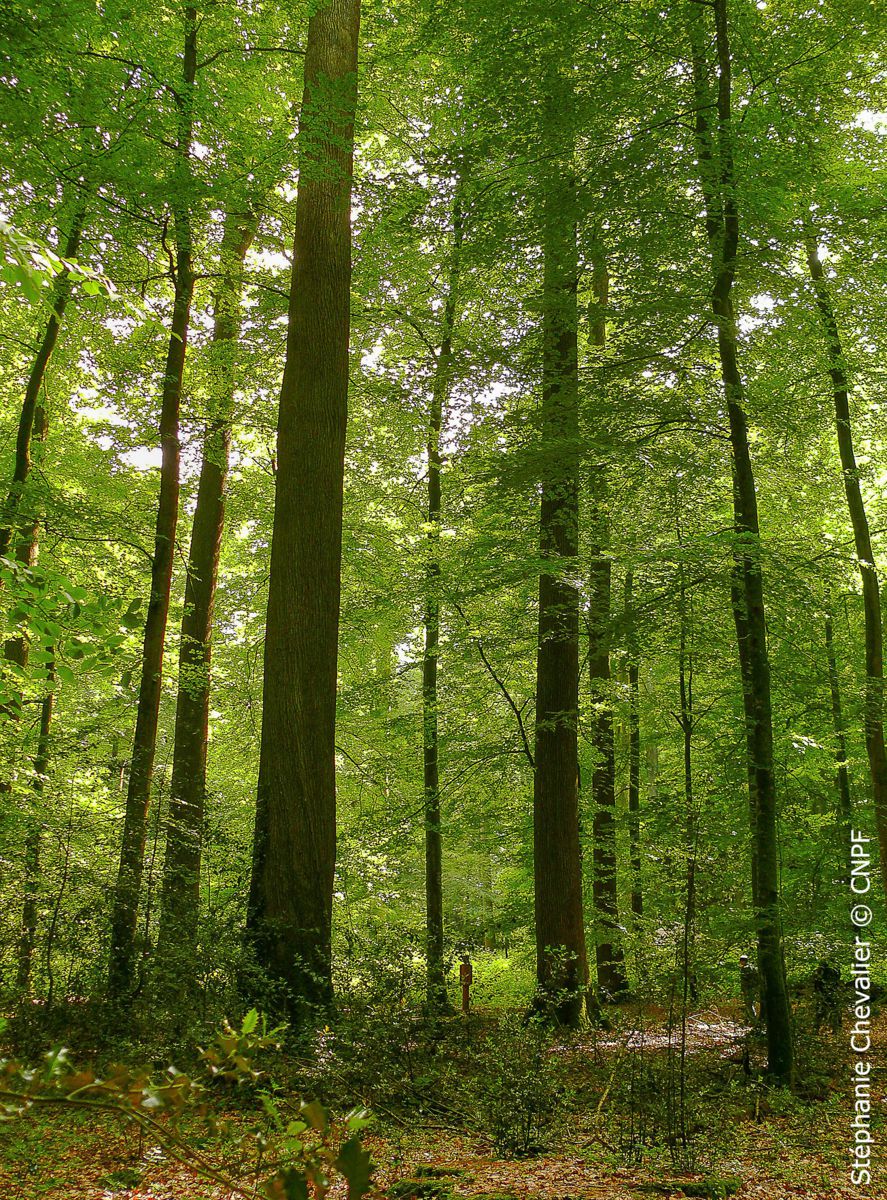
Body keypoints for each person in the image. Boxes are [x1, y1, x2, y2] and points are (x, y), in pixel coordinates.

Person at [812, 959, 842, 1032]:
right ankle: (836, 1029)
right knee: (833, 1011)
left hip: (826, 995)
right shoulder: (833, 972)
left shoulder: (823, 973)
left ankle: (816, 1029)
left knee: (822, 1012)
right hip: (831, 994)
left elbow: (816, 984)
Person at [739, 953, 759, 1025]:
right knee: (749, 1004)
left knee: (749, 1005)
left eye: (741, 960)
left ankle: (755, 1022)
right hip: (753, 989)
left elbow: (746, 980)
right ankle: (746, 1021)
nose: (740, 962)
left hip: (749, 989)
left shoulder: (745, 968)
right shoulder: (753, 967)